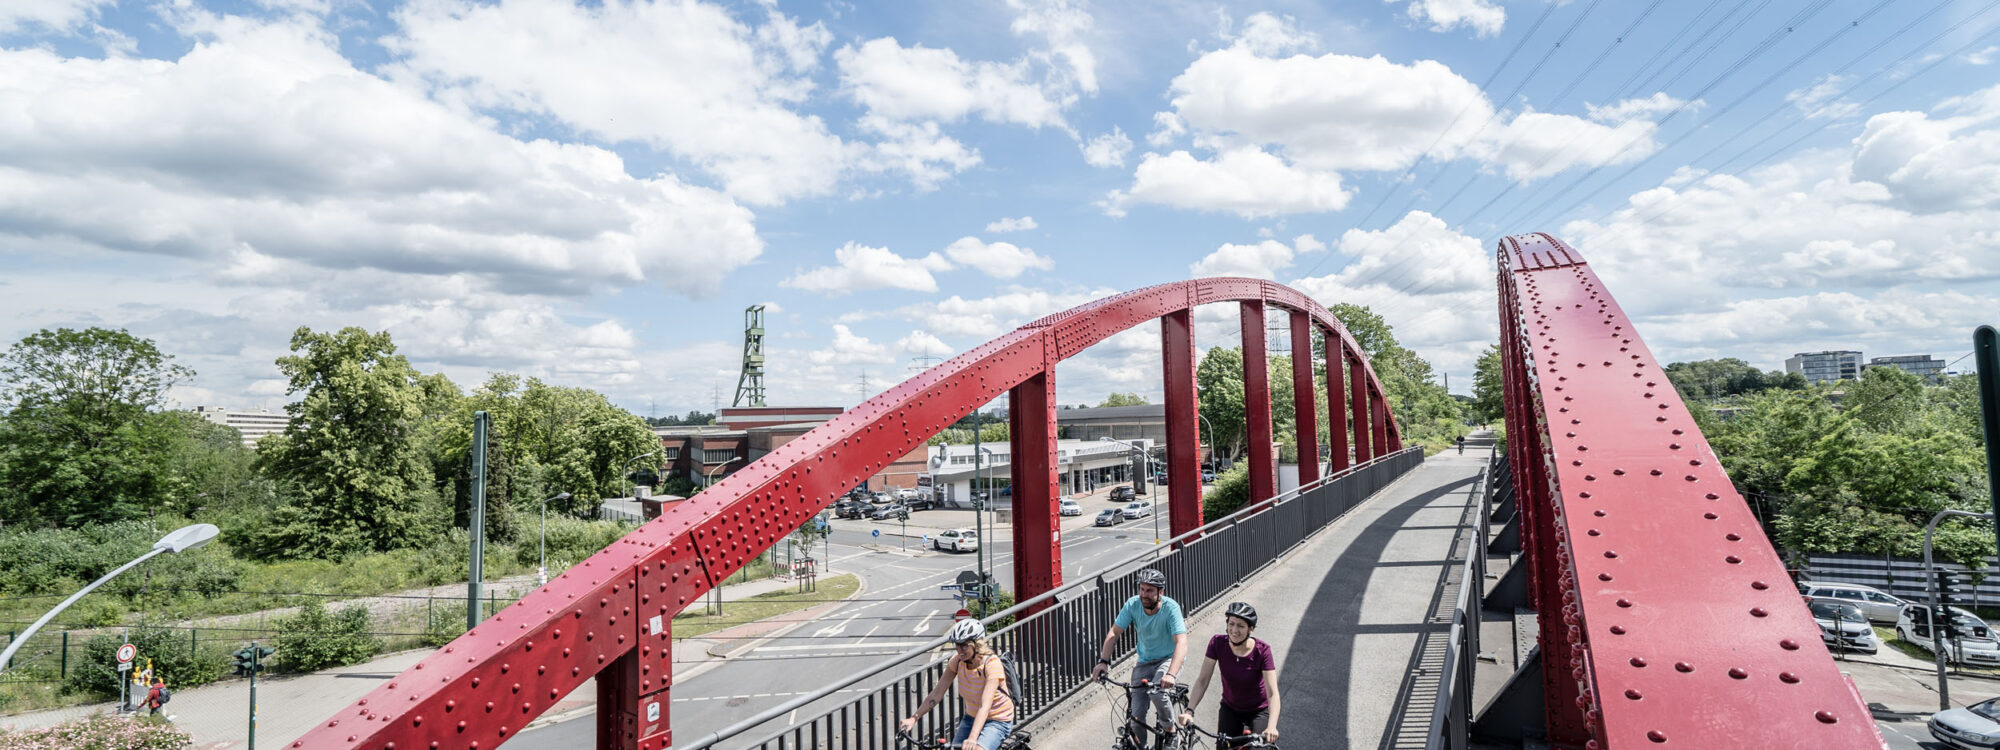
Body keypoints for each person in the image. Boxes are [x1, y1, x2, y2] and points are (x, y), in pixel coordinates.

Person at [1091, 568, 1188, 749]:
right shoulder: (1133, 605)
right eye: (1142, 589)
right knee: (1135, 717)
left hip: (1167, 659)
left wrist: (1171, 674)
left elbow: (1181, 642)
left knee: (1158, 693)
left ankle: (1171, 732)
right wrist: (1103, 661)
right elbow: (1115, 632)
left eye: (1150, 590)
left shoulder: (1171, 608)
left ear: (1161, 592)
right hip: (1144, 661)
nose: (1144, 594)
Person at [901, 619, 1015, 750]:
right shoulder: (957, 661)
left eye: (964, 645)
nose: (959, 650)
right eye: (957, 645)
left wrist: (972, 738)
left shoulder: (992, 664)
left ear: (976, 644)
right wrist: (914, 718)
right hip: (971, 718)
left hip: (997, 720)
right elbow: (937, 694)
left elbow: (985, 706)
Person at [1178, 603, 1281, 747]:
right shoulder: (1217, 643)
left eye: (1241, 626)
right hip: (1231, 708)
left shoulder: (1262, 651)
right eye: (1231, 624)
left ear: (1251, 629)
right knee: (1223, 746)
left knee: (1261, 747)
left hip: (1258, 710)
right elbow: (1203, 680)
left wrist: (1271, 727)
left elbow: (1272, 694)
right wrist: (1190, 710)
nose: (1234, 630)